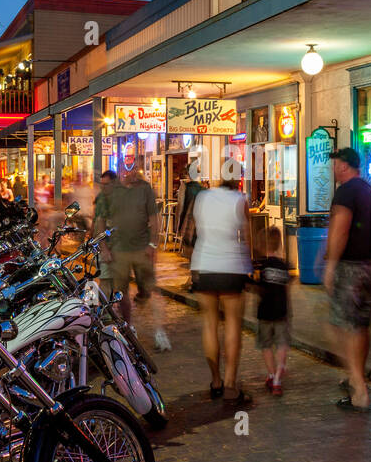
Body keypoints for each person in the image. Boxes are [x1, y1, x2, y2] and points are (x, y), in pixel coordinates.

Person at [323, 147, 371, 412]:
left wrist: (330, 265)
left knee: (339, 327)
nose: (333, 169)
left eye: (335, 164)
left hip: (349, 266)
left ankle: (358, 386)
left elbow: (340, 229)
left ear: (342, 166)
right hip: (369, 266)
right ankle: (354, 376)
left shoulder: (346, 192)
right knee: (360, 325)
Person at [187, 162, 253, 403]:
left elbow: (196, 230)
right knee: (233, 325)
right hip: (231, 268)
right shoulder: (240, 200)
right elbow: (247, 238)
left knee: (209, 325)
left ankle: (215, 380)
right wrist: (251, 267)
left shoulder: (202, 197)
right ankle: (230, 384)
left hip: (204, 265)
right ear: (238, 179)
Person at [109, 165, 171, 352]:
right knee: (121, 292)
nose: (130, 172)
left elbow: (153, 218)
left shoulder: (145, 189)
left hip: (142, 249)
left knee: (150, 291)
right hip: (120, 249)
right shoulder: (114, 190)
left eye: (133, 168)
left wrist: (153, 244)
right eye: (126, 168)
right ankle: (128, 329)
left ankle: (160, 332)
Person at [251, 226, 293, 395]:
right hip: (281, 312)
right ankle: (278, 377)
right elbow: (288, 287)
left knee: (266, 345)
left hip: (265, 313)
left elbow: (257, 288)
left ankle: (271, 374)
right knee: (282, 343)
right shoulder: (285, 266)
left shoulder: (261, 267)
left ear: (261, 245)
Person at [91, 170, 118, 296]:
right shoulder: (102, 198)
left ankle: (110, 311)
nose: (103, 187)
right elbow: (98, 221)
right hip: (105, 245)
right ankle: (105, 313)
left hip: (117, 246)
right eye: (102, 184)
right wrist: (104, 248)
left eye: (106, 184)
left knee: (114, 280)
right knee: (105, 278)